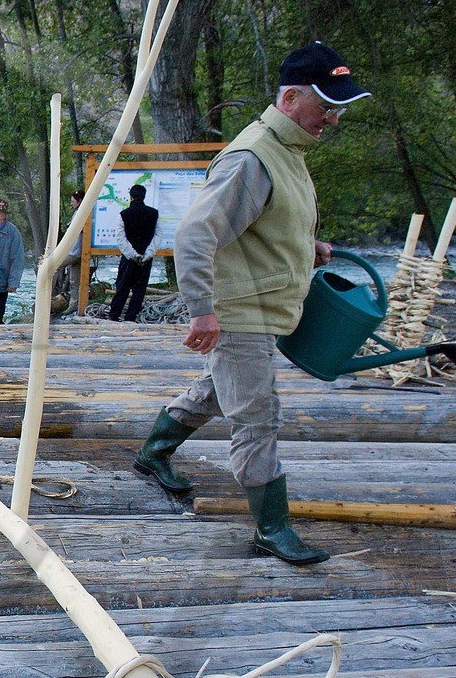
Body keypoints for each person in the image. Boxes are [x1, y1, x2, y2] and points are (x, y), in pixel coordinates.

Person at [134, 41, 370, 565]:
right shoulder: (252, 158)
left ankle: (154, 454)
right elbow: (195, 235)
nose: (333, 119)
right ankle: (271, 528)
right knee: (257, 416)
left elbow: (261, 228)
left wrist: (308, 248)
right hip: (240, 311)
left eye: (339, 109)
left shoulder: (288, 152)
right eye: (325, 107)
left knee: (223, 390)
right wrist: (201, 310)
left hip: (263, 309)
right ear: (289, 99)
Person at [108, 184, 159, 321]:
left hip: (129, 257)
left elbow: (121, 238)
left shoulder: (124, 215)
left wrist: (132, 254)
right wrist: (148, 253)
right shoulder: (154, 214)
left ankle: (114, 315)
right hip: (146, 257)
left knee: (122, 287)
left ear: (131, 197)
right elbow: (157, 236)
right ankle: (131, 317)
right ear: (144, 196)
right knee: (139, 289)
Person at [55, 190, 85, 314]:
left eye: (73, 201)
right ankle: (74, 305)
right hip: (75, 250)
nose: (71, 203)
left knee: (53, 267)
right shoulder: (77, 213)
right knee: (74, 280)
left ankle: (47, 298)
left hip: (75, 251)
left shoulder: (83, 214)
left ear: (80, 201)